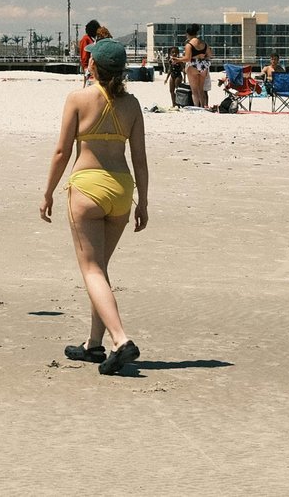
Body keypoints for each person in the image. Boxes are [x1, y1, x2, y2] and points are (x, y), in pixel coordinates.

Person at [40, 39, 149, 374]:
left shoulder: (78, 98)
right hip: (120, 190)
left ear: (93, 66)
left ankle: (120, 339)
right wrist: (143, 201)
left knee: (91, 270)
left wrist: (48, 192)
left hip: (87, 187)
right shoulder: (132, 105)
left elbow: (61, 152)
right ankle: (94, 345)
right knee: (98, 269)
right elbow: (140, 160)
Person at [176, 24, 212, 109]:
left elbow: (187, 58)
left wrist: (177, 59)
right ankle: (203, 106)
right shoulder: (204, 43)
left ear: (188, 34)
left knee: (194, 91)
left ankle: (196, 107)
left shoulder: (189, 45)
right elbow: (209, 54)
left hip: (193, 65)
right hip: (203, 65)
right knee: (201, 90)